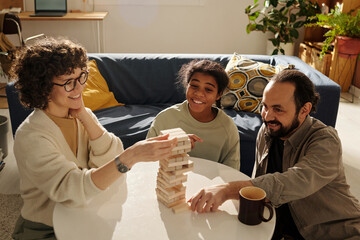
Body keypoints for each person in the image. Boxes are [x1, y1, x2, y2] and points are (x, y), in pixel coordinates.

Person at [9, 37, 177, 239]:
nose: (80, 88)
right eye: (68, 83)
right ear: (42, 86)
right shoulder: (31, 136)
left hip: (86, 215)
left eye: (81, 77)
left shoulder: (80, 114)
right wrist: (131, 156)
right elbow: (73, 190)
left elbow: (108, 160)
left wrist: (86, 117)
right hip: (47, 228)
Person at [188, 70, 360, 239]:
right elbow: (260, 182)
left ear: (304, 109)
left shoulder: (325, 141)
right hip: (278, 229)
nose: (267, 116)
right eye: (265, 106)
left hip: (337, 232)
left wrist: (227, 190)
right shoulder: (268, 130)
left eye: (278, 109)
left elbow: (292, 182)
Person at [146, 59, 240, 170]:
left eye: (208, 89)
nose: (199, 93)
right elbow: (146, 160)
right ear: (187, 85)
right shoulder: (165, 119)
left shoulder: (228, 128)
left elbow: (231, 171)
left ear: (218, 95)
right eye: (194, 86)